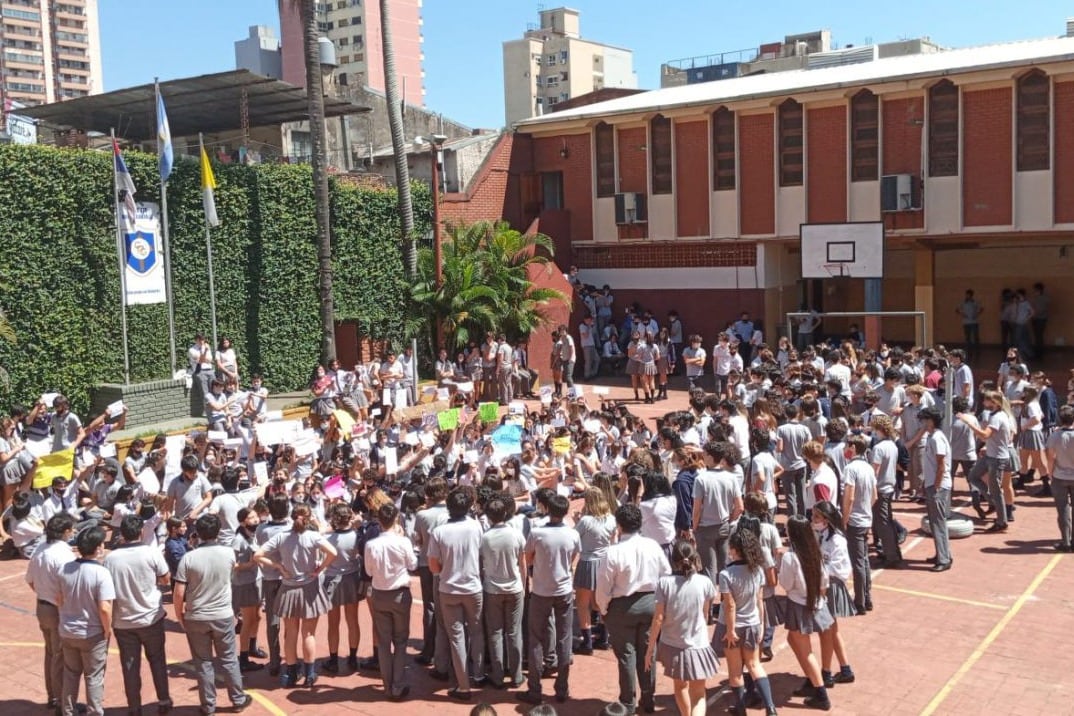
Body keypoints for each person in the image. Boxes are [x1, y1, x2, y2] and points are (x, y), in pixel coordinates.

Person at [596, 503, 672, 715]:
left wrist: (603, 608)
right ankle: (648, 698)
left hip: (622, 607)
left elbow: (603, 585)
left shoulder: (613, 552)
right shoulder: (652, 546)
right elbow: (666, 574)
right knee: (648, 651)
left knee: (626, 655)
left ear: (619, 526)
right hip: (650, 604)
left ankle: (628, 703)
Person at [174, 514, 252, 713]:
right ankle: (237, 699)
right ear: (218, 532)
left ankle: (208, 705)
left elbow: (179, 593)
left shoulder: (188, 558)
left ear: (197, 533)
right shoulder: (228, 554)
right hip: (222, 615)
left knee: (203, 662)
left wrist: (180, 616)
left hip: (196, 615)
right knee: (228, 659)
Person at [255, 503, 336, 688]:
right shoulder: (313, 536)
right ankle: (309, 674)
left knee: (290, 633)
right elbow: (333, 553)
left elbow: (258, 555)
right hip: (309, 588)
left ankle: (290, 673)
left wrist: (278, 566)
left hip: (289, 588)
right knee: (309, 633)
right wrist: (319, 569)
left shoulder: (281, 537)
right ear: (308, 518)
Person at [103, 514, 172, 715]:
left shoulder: (111, 559)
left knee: (130, 665)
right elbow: (166, 578)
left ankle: (134, 707)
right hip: (151, 618)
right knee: (158, 660)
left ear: (122, 534)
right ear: (141, 532)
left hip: (124, 621)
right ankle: (164, 700)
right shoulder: (151, 553)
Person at [643, 539, 721, 716]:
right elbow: (706, 614)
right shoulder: (705, 582)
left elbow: (658, 619)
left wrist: (650, 649)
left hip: (672, 646)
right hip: (699, 644)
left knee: (680, 687)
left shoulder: (664, 583)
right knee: (699, 694)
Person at [518, 493, 579, 706]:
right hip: (563, 591)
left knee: (536, 638)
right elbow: (572, 557)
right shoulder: (572, 534)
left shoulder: (537, 533)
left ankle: (534, 690)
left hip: (542, 591)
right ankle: (562, 688)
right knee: (564, 638)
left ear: (548, 510)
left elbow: (528, 557)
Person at [713, 528, 779, 716]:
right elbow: (760, 601)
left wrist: (731, 629)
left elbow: (729, 606)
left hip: (732, 627)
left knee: (735, 671)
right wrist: (761, 626)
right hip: (752, 624)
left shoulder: (726, 575)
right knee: (754, 665)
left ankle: (741, 710)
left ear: (734, 549)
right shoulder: (757, 570)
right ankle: (770, 708)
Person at [428, 488, 485, 701]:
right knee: (477, 631)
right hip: (473, 587)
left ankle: (463, 685)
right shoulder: (476, 526)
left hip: (449, 589)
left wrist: (446, 569)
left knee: (457, 637)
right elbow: (481, 553)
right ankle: (478, 674)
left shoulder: (439, 532)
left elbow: (434, 566)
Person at [56, 526, 114, 716]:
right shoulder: (101, 573)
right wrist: (107, 630)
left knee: (71, 673)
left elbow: (59, 599)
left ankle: (68, 711)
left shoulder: (66, 568)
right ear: (98, 548)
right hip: (92, 633)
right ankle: (95, 712)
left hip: (67, 630)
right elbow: (105, 608)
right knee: (94, 676)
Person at [779, 515, 833, 711]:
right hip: (815, 603)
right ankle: (813, 680)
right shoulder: (815, 552)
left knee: (805, 650)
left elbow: (785, 584)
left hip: (798, 605)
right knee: (794, 641)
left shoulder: (790, 557)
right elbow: (824, 583)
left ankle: (820, 692)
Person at [365, 502, 418, 700]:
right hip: (400, 594)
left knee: (384, 642)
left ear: (379, 521)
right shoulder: (402, 542)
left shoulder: (371, 544)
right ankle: (398, 683)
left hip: (380, 594)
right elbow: (413, 563)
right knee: (401, 640)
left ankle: (388, 685)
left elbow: (369, 571)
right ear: (396, 520)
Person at [25, 513, 75, 712]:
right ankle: (62, 702)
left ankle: (52, 695)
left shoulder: (40, 549)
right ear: (65, 532)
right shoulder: (64, 554)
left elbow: (30, 580)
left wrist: (43, 592)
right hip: (57, 609)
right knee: (60, 656)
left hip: (42, 606)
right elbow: (69, 585)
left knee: (50, 652)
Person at [479, 496, 527, 687]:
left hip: (492, 590)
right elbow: (522, 563)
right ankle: (516, 676)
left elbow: (482, 563)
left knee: (495, 633)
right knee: (514, 632)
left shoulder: (485, 537)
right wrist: (523, 585)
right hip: (514, 588)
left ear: (489, 517)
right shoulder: (516, 534)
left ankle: (498, 676)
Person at [811, 502, 857, 688]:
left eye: (816, 517)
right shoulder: (821, 536)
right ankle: (845, 669)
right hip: (824, 583)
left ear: (827, 520)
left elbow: (840, 568)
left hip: (831, 586)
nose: (813, 520)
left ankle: (826, 672)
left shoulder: (837, 540)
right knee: (833, 629)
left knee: (826, 631)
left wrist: (819, 571)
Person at [692, 441, 744, 588]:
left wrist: (694, 527)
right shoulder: (731, 478)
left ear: (710, 457)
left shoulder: (700, 479)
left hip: (704, 528)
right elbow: (740, 507)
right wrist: (729, 520)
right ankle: (724, 602)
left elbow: (696, 509)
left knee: (708, 569)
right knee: (724, 567)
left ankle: (708, 608)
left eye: (705, 454)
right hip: (724, 526)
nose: (702, 455)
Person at [961, 391, 1016, 531]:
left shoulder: (997, 417)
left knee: (996, 490)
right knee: (973, 476)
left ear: (995, 403)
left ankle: (1002, 521)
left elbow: (985, 435)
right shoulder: (995, 415)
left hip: (997, 458)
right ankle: (994, 502)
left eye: (987, 400)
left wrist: (969, 423)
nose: (984, 402)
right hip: (990, 455)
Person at [574, 488, 617, 655]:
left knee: (583, 604)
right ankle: (604, 638)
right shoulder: (611, 519)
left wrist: (577, 520)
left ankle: (587, 642)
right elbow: (614, 540)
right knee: (601, 603)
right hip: (604, 562)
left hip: (587, 562)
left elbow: (575, 538)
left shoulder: (586, 521)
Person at [413, 477, 449, 666]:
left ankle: (429, 650)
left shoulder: (423, 515)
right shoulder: (454, 511)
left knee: (430, 606)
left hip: (428, 564)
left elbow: (417, 540)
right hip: (450, 564)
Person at [254, 493, 291, 676]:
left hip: (270, 578)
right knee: (291, 621)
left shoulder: (262, 529)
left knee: (272, 621)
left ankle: (275, 660)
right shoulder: (291, 527)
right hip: (289, 579)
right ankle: (290, 658)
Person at [839, 436, 876, 614]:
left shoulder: (850, 469)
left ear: (853, 448)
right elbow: (874, 496)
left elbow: (849, 496)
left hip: (854, 520)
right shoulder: (868, 467)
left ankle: (860, 601)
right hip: (866, 518)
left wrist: (844, 520)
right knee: (864, 559)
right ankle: (867, 597)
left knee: (858, 562)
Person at [232, 507, 265, 673]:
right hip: (244, 584)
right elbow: (233, 565)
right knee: (247, 620)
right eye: (252, 517)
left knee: (257, 617)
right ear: (243, 521)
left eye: (256, 516)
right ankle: (243, 658)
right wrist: (250, 564)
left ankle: (252, 646)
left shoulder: (253, 535)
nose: (256, 519)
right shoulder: (238, 540)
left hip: (256, 580)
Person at [1046, 406, 1074, 552]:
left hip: (1060, 476)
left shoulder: (1054, 436)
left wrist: (1050, 473)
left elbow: (1050, 458)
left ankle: (1066, 541)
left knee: (1063, 510)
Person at [188, 334, 215, 413]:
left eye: (203, 339)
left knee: (213, 390)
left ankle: (215, 409)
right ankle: (208, 412)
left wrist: (204, 357)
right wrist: (205, 352)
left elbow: (210, 359)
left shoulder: (206, 347)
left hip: (210, 370)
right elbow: (200, 361)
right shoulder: (192, 350)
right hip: (200, 371)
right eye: (200, 340)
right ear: (196, 340)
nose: (202, 341)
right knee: (205, 393)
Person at [955, 290, 982, 357]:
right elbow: (957, 309)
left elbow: (981, 308)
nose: (968, 296)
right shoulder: (963, 302)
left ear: (971, 295)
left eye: (969, 295)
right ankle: (969, 350)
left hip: (974, 321)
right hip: (966, 322)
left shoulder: (975, 302)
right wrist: (962, 314)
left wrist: (976, 314)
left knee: (976, 337)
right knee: (968, 337)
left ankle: (977, 350)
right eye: (967, 295)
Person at [1030, 282, 1049, 357]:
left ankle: (1039, 351)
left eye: (1036, 289)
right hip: (1035, 318)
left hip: (1041, 318)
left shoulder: (1045, 298)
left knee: (1039, 335)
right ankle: (1038, 350)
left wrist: (1036, 314)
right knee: (1037, 335)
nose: (1035, 291)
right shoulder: (1035, 297)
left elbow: (1043, 309)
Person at [580, 315, 600, 381]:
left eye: (590, 320)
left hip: (592, 345)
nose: (590, 321)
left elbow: (593, 334)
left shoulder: (590, 326)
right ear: (585, 320)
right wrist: (588, 326)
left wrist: (592, 326)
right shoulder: (582, 326)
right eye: (588, 320)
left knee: (597, 359)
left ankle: (593, 373)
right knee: (588, 361)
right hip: (586, 346)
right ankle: (587, 376)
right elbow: (585, 336)